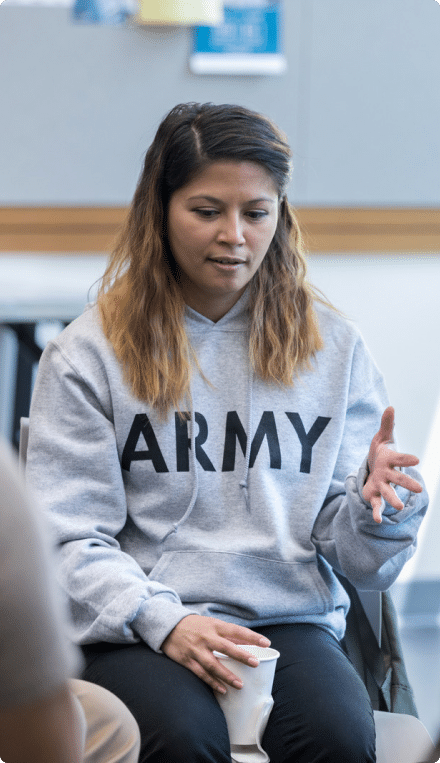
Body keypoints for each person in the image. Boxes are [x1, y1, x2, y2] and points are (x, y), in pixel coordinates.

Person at [25, 102, 428, 763]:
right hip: (140, 625)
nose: (234, 235)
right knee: (183, 739)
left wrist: (380, 509)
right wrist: (166, 620)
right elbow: (66, 540)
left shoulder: (334, 349)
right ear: (161, 209)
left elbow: (358, 557)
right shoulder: (89, 353)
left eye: (256, 212)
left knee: (336, 735)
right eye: (207, 210)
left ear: (281, 214)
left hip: (286, 622)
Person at [0, 439, 141, 763]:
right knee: (180, 730)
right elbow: (71, 536)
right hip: (136, 608)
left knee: (110, 720)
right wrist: (164, 619)